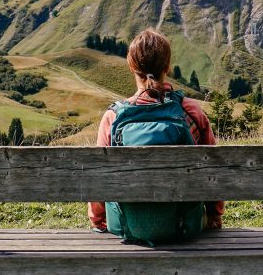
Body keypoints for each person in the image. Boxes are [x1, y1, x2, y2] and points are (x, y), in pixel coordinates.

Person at [88, 28, 224, 232]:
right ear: (167, 67)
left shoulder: (113, 117)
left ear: (131, 66)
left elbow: (99, 178)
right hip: (185, 225)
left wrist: (99, 221)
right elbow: (212, 171)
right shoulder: (191, 112)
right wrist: (214, 215)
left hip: (128, 226)